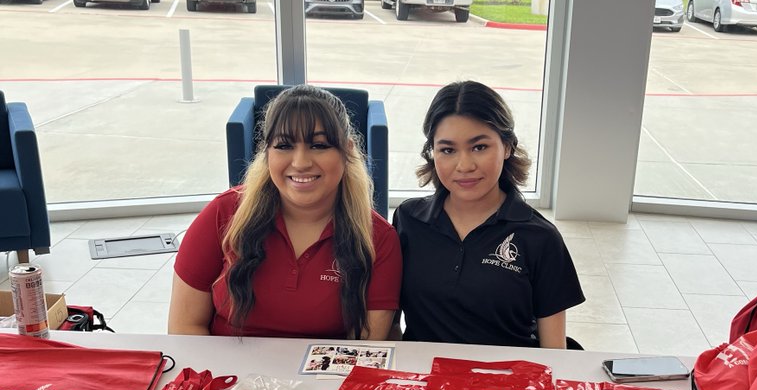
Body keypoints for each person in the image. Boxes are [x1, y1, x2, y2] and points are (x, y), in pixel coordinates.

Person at [169, 85, 401, 338]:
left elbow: (367, 349)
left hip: (326, 377)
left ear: (347, 151)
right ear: (266, 152)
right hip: (225, 376)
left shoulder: (378, 238)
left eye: (319, 145)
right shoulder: (223, 215)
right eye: (283, 145)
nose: (300, 162)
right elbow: (185, 328)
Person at [392, 80, 584, 349]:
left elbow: (554, 352)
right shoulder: (408, 220)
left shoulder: (540, 237)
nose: (465, 165)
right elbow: (390, 324)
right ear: (432, 154)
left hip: (507, 384)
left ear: (507, 147)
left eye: (479, 147)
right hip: (426, 381)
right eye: (447, 150)